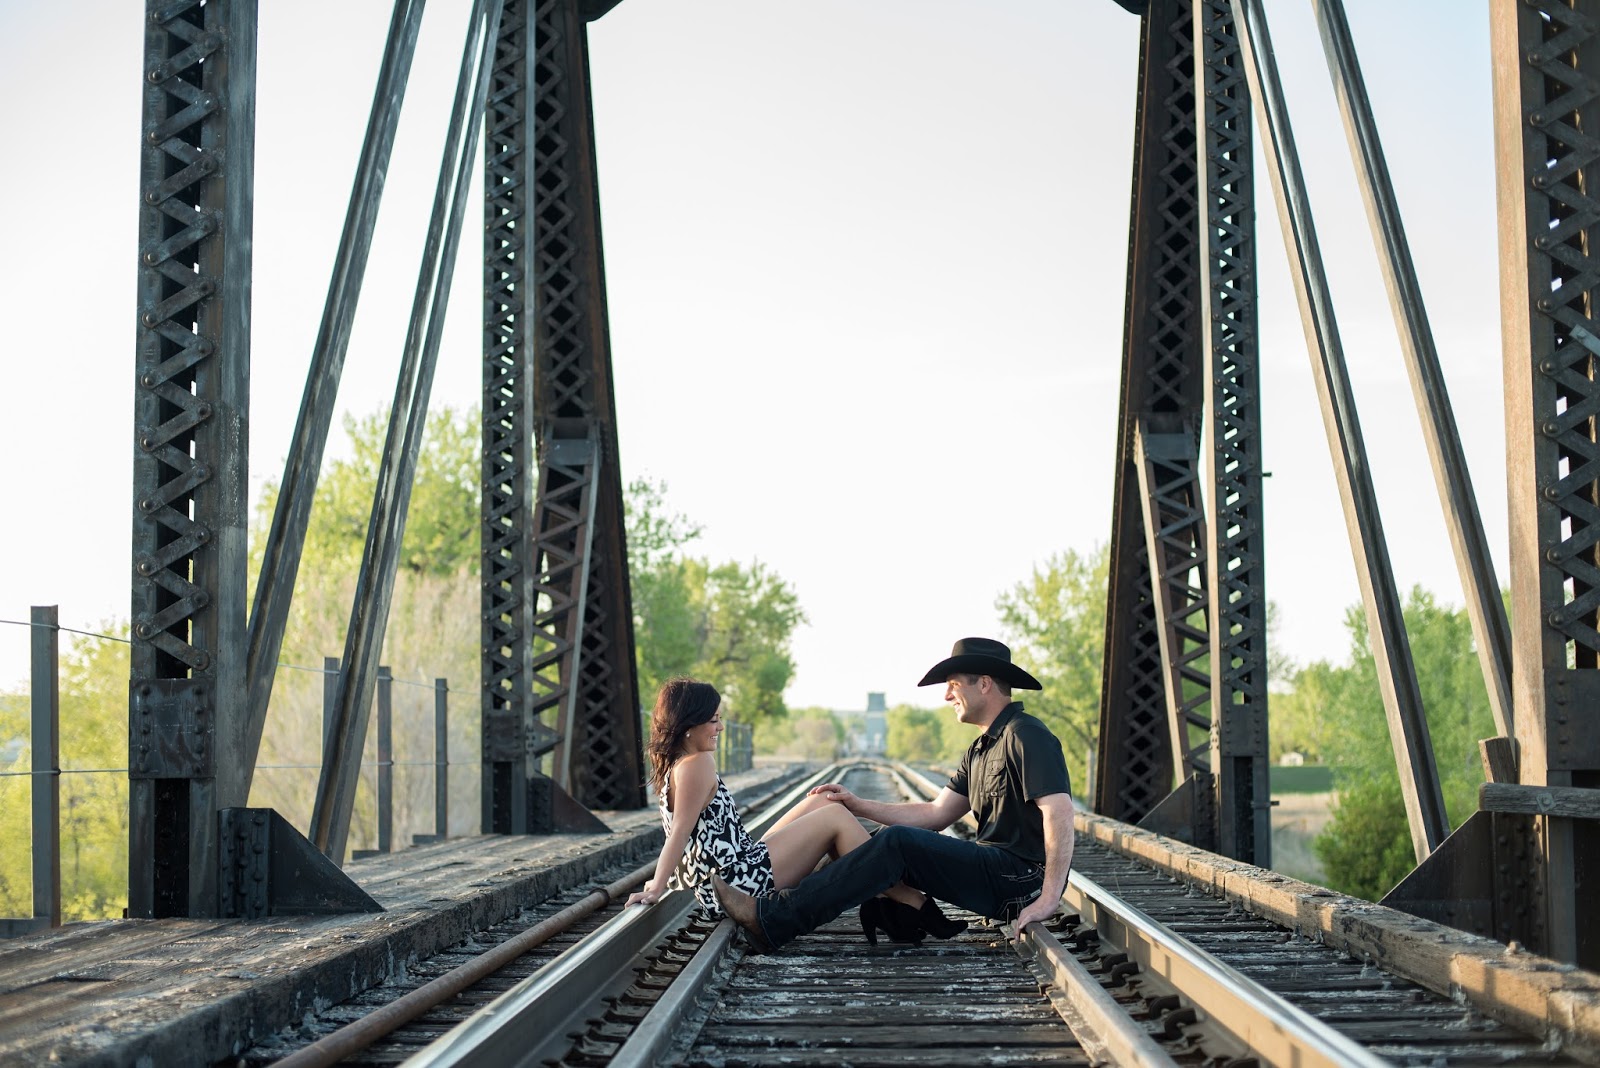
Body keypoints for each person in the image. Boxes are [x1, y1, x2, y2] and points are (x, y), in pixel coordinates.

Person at [713, 636, 1075, 951]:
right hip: (996, 872)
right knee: (885, 838)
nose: (947, 695)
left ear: (983, 684)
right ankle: (900, 913)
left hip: (1018, 878)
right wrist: (858, 805)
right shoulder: (981, 748)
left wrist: (1047, 898)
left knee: (898, 843)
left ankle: (773, 920)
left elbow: (1059, 813)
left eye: (952, 685)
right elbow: (936, 814)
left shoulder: (1026, 735)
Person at [626, 676, 965, 943]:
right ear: (690, 723)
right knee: (834, 816)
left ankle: (885, 899)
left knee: (824, 801)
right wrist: (656, 888)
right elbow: (681, 832)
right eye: (714, 721)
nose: (721, 728)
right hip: (734, 884)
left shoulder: (678, 765)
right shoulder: (698, 763)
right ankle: (910, 902)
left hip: (737, 869)